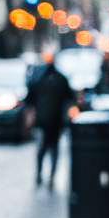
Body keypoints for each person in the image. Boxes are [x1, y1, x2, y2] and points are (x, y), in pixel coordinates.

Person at [26, 49, 75, 188]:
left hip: (47, 120)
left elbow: (30, 100)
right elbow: (70, 98)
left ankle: (46, 175)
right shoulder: (56, 78)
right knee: (50, 148)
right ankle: (46, 175)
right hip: (51, 121)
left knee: (45, 148)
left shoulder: (42, 78)